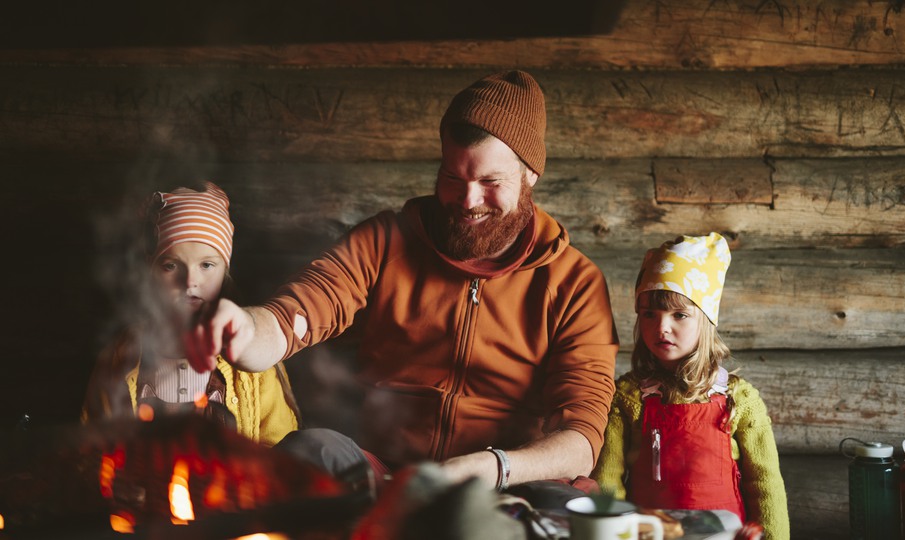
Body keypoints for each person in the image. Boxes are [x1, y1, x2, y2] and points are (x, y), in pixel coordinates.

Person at [183, 71, 619, 494]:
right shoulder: (384, 241)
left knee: (565, 507)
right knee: (309, 450)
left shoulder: (575, 283)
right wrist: (244, 328)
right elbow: (295, 313)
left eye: (490, 182)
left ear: (530, 176)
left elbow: (580, 440)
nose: (468, 201)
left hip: (509, 481)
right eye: (453, 177)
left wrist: (492, 466)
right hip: (385, 474)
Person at [591, 232, 789, 538]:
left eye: (679, 314)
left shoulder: (740, 399)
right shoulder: (629, 397)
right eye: (649, 314)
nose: (662, 327)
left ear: (706, 319)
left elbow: (765, 484)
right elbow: (608, 480)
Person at [82, 182, 301, 446]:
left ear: (225, 271)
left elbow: (280, 448)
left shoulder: (252, 354)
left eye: (207, 265)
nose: (189, 282)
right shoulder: (122, 355)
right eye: (171, 265)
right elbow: (95, 442)